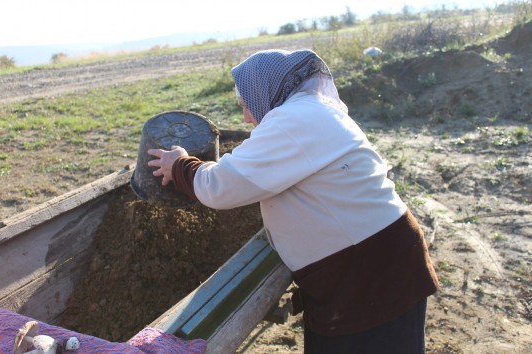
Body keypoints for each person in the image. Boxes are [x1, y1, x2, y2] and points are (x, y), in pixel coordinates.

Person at [147, 49, 439, 354]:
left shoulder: (292, 120)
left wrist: (180, 165)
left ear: (267, 91)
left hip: (367, 273)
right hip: (381, 261)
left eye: (246, 105)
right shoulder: (314, 110)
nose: (247, 117)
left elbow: (220, 186)